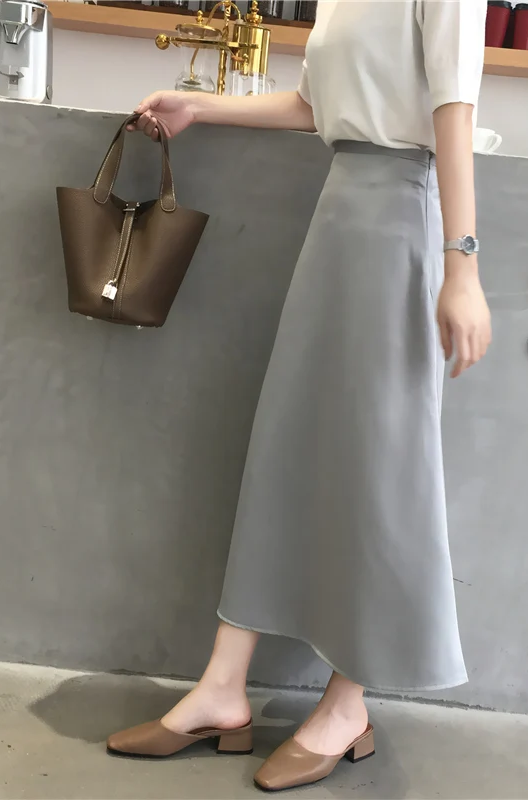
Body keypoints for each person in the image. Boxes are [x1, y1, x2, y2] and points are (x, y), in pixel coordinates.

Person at [107, 0, 491, 791]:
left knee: (383, 463)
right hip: (340, 215)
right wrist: (201, 107)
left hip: (401, 224)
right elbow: (317, 106)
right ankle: (223, 687)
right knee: (287, 440)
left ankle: (348, 703)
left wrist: (462, 264)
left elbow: (454, 109)